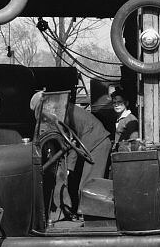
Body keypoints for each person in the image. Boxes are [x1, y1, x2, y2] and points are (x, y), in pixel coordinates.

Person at [30, 89, 111, 220]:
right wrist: (69, 167)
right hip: (90, 144)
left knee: (88, 185)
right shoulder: (62, 110)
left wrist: (69, 168)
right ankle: (83, 215)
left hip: (97, 144)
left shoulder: (62, 112)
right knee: (80, 182)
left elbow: (71, 141)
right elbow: (72, 141)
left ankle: (92, 219)